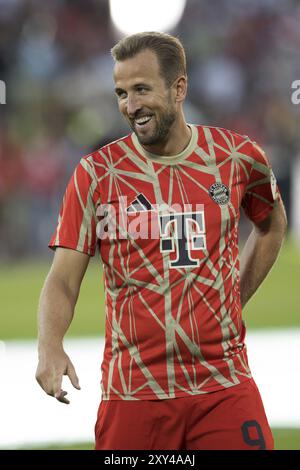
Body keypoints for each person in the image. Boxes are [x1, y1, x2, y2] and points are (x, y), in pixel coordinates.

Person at [35, 31, 287, 450]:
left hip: (224, 386)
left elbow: (272, 224)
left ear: (179, 88)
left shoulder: (237, 158)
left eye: (141, 90)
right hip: (134, 394)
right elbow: (63, 278)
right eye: (120, 92)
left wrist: (233, 298)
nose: (130, 106)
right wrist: (50, 346)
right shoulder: (97, 175)